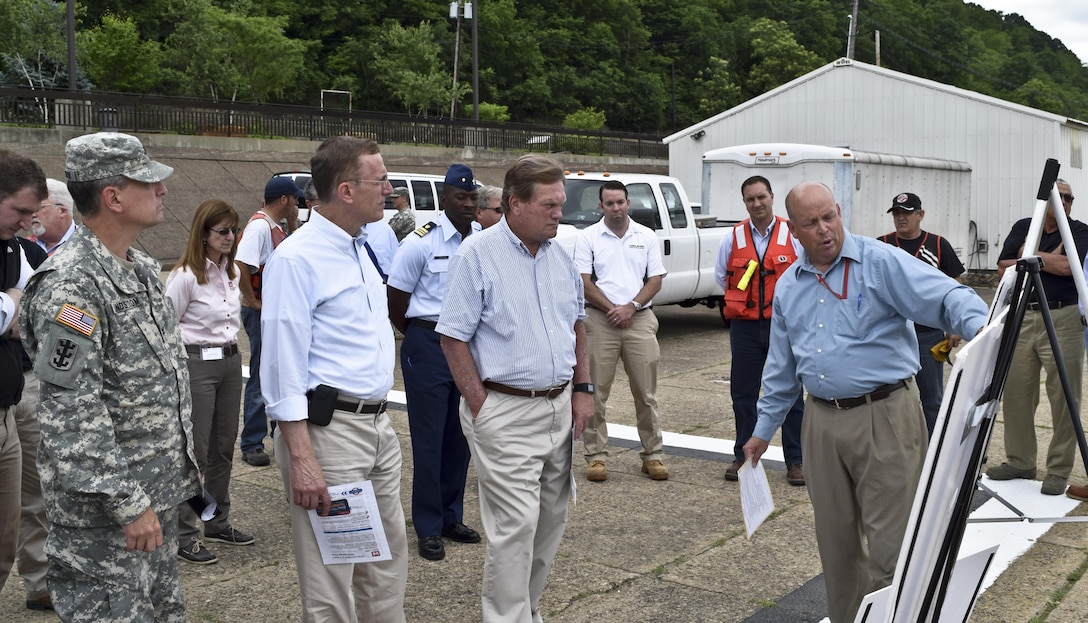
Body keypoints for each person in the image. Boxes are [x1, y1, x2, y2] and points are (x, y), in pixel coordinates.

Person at [741, 182, 988, 623]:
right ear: (793, 230)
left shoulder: (880, 262)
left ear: (839, 212)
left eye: (829, 217)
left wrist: (982, 332)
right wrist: (762, 430)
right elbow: (781, 368)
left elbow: (949, 296)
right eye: (811, 223)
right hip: (820, 421)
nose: (825, 230)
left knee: (892, 551)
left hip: (885, 416)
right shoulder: (790, 287)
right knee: (836, 548)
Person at [20, 132, 200, 621]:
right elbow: (71, 413)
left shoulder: (140, 268)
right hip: (107, 516)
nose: (162, 190)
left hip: (153, 496)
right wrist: (127, 504)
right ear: (113, 197)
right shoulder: (72, 287)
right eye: (149, 182)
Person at [438, 154, 593, 623]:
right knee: (515, 528)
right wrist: (480, 405)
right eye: (548, 205)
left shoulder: (560, 256)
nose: (558, 214)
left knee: (549, 524)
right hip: (503, 409)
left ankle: (529, 609)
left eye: (559, 204)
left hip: (559, 408)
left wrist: (583, 390)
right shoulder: (477, 255)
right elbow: (452, 336)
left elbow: (578, 326)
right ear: (513, 204)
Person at [261, 136, 408, 622]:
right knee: (333, 577)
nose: (389, 188)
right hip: (330, 436)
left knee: (385, 567)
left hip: (376, 426)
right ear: (346, 190)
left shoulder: (360, 247)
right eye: (380, 179)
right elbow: (282, 367)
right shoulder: (298, 258)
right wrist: (302, 458)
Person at [388, 163, 483, 560]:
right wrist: (420, 337)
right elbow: (396, 300)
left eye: (473, 197)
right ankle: (427, 527)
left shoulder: (483, 239)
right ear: (444, 199)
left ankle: (450, 516)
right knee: (428, 439)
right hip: (427, 341)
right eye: (461, 197)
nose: (469, 204)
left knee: (459, 437)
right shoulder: (420, 241)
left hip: (468, 344)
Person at [166, 200, 255, 565]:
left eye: (233, 230)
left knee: (222, 447)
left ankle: (217, 520)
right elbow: (166, 325)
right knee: (196, 451)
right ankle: (184, 532)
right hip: (197, 364)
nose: (230, 238)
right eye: (222, 231)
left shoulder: (230, 272)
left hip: (230, 362)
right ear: (203, 234)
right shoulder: (186, 275)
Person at [987, 179, 1088, 496]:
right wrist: (1047, 258)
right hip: (1023, 314)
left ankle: (1058, 471)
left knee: (1064, 397)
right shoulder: (1024, 226)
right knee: (1017, 392)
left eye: (1069, 198)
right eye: (1060, 197)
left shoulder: (1080, 232)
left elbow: (1069, 267)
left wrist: (1030, 257)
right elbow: (1003, 269)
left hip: (1063, 317)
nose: (1066, 202)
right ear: (1045, 201)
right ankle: (1020, 462)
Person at [575, 179, 668, 482]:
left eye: (620, 202)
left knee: (646, 393)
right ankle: (596, 456)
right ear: (600, 206)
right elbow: (584, 281)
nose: (615, 208)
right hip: (600, 321)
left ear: (628, 203)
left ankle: (652, 455)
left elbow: (655, 280)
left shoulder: (647, 236)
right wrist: (612, 309)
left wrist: (631, 306)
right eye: (609, 203)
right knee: (596, 393)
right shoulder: (588, 237)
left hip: (638, 318)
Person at [714, 175, 805, 486]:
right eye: (751, 199)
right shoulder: (733, 237)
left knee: (792, 393)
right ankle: (743, 454)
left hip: (784, 325)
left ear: (771, 197)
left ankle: (796, 460)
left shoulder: (792, 234)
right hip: (746, 326)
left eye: (761, 197)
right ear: (745, 202)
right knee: (743, 393)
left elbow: (805, 272)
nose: (757, 203)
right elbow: (721, 276)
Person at [878, 192, 966, 436]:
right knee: (888, 396)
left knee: (932, 398)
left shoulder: (937, 244)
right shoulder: (881, 244)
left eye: (907, 213)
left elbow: (955, 286)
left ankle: (934, 454)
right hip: (890, 335)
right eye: (897, 213)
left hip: (929, 334)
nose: (901, 218)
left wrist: (954, 325)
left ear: (920, 215)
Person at [0, 150, 47, 600]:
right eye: (21, 212)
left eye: (35, 214)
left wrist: (14, 308)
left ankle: (42, 582)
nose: (29, 222)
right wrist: (16, 302)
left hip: (19, 394)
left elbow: (52, 315)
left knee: (27, 507)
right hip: (22, 385)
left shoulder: (26, 250)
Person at [235, 176, 304, 467]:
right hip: (261, 310)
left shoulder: (275, 226)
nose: (299, 205)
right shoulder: (260, 226)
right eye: (295, 200)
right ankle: (252, 441)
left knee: (275, 372)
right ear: (285, 200)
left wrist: (293, 224)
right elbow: (240, 264)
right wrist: (252, 301)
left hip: (271, 309)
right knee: (262, 374)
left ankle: (274, 433)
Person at [29, 178, 77, 256]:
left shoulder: (89, 244)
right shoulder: (22, 247)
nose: (33, 214)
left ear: (62, 211)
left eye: (39, 207)